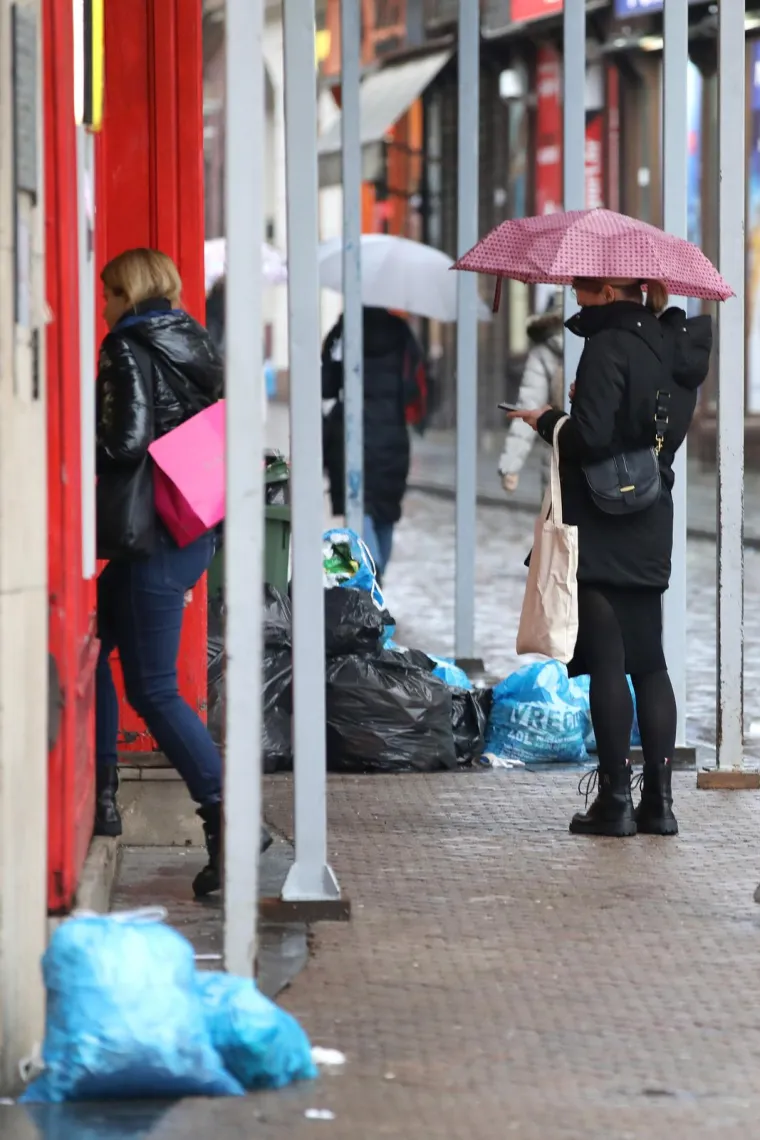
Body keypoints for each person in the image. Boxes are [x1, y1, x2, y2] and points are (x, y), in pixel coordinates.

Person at [509, 277, 712, 838]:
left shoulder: (607, 345)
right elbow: (658, 431)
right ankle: (660, 805)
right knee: (648, 663)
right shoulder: (674, 346)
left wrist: (551, 420)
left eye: (582, 283)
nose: (574, 290)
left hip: (600, 521)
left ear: (605, 290)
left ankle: (616, 801)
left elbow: (592, 438)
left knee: (607, 661)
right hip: (650, 514)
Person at [94, 247, 225, 897]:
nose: (104, 305)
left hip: (149, 535)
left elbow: (125, 442)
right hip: (187, 524)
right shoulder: (193, 339)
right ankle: (102, 791)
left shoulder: (126, 345)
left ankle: (227, 817)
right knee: (92, 643)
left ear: (128, 292)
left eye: (109, 293)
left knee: (154, 689)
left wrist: (68, 438)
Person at [321, 306, 427, 582]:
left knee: (358, 507)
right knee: (385, 513)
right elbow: (416, 388)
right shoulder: (402, 332)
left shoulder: (346, 329)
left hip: (351, 436)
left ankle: (372, 568)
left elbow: (326, 385)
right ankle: (376, 573)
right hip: (392, 437)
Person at [498, 298, 563, 496]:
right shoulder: (545, 353)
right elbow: (529, 407)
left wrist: (510, 465)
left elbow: (528, 407)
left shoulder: (543, 351)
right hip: (578, 461)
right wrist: (510, 463)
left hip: (560, 459)